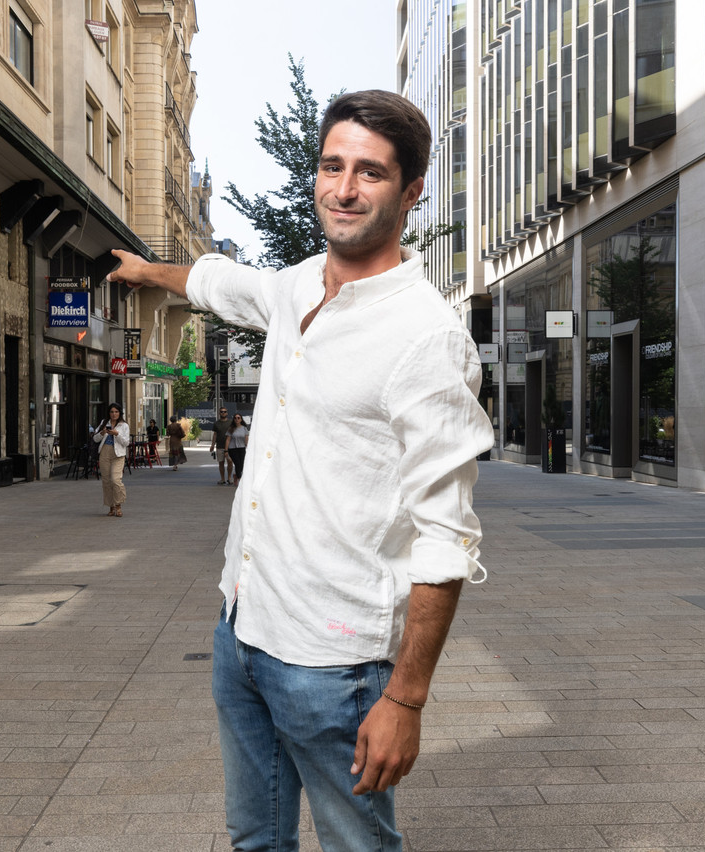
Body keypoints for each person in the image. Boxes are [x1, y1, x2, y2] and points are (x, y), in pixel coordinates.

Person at [107, 90, 494, 852]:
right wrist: (150, 268)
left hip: (334, 660)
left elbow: (447, 536)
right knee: (254, 838)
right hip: (242, 627)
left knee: (357, 846)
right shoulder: (296, 286)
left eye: (370, 173)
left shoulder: (426, 338)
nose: (343, 189)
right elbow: (223, 283)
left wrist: (406, 700)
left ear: (411, 192)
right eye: (331, 165)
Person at [93, 403, 129, 516]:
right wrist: (102, 433)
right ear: (109, 413)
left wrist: (116, 434)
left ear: (119, 413)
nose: (114, 414)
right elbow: (95, 438)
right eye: (112, 412)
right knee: (107, 481)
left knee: (115, 480)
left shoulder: (124, 426)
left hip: (118, 454)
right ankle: (111, 506)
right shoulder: (104, 423)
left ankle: (118, 505)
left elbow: (126, 442)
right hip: (105, 453)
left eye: (116, 412)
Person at [209, 406, 235, 485]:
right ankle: (222, 479)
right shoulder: (216, 423)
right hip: (219, 446)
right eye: (221, 412)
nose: (223, 413)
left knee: (230, 462)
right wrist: (212, 445)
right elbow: (215, 435)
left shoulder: (231, 422)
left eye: (224, 411)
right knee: (221, 463)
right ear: (219, 413)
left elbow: (234, 433)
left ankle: (229, 478)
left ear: (227, 413)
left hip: (230, 446)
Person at [223, 413, 249, 486]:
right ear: (233, 419)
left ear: (241, 419)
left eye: (238, 418)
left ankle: (236, 475)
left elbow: (246, 438)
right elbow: (228, 440)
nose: (237, 419)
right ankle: (239, 479)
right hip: (232, 449)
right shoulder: (231, 428)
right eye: (235, 418)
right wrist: (226, 450)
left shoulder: (244, 428)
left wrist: (247, 446)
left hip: (241, 448)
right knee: (237, 463)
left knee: (241, 464)